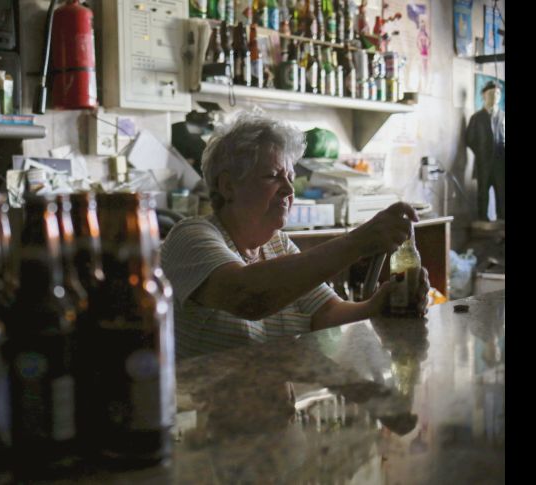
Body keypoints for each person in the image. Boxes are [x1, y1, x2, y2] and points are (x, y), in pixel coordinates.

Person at [160, 113, 430, 359]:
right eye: (273, 176)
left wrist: (377, 305)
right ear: (228, 186)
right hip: (206, 407)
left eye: (290, 176)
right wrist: (357, 242)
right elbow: (247, 297)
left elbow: (326, 314)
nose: (289, 189)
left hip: (265, 402)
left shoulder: (278, 244)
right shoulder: (190, 236)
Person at [466, 80, 505, 221]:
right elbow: (469, 139)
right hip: (483, 163)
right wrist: (481, 152)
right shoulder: (476, 118)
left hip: (500, 163)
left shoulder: (503, 116)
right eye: (491, 93)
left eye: (498, 93)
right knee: (483, 193)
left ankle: (502, 220)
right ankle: (483, 220)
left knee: (502, 192)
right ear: (484, 95)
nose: (495, 96)